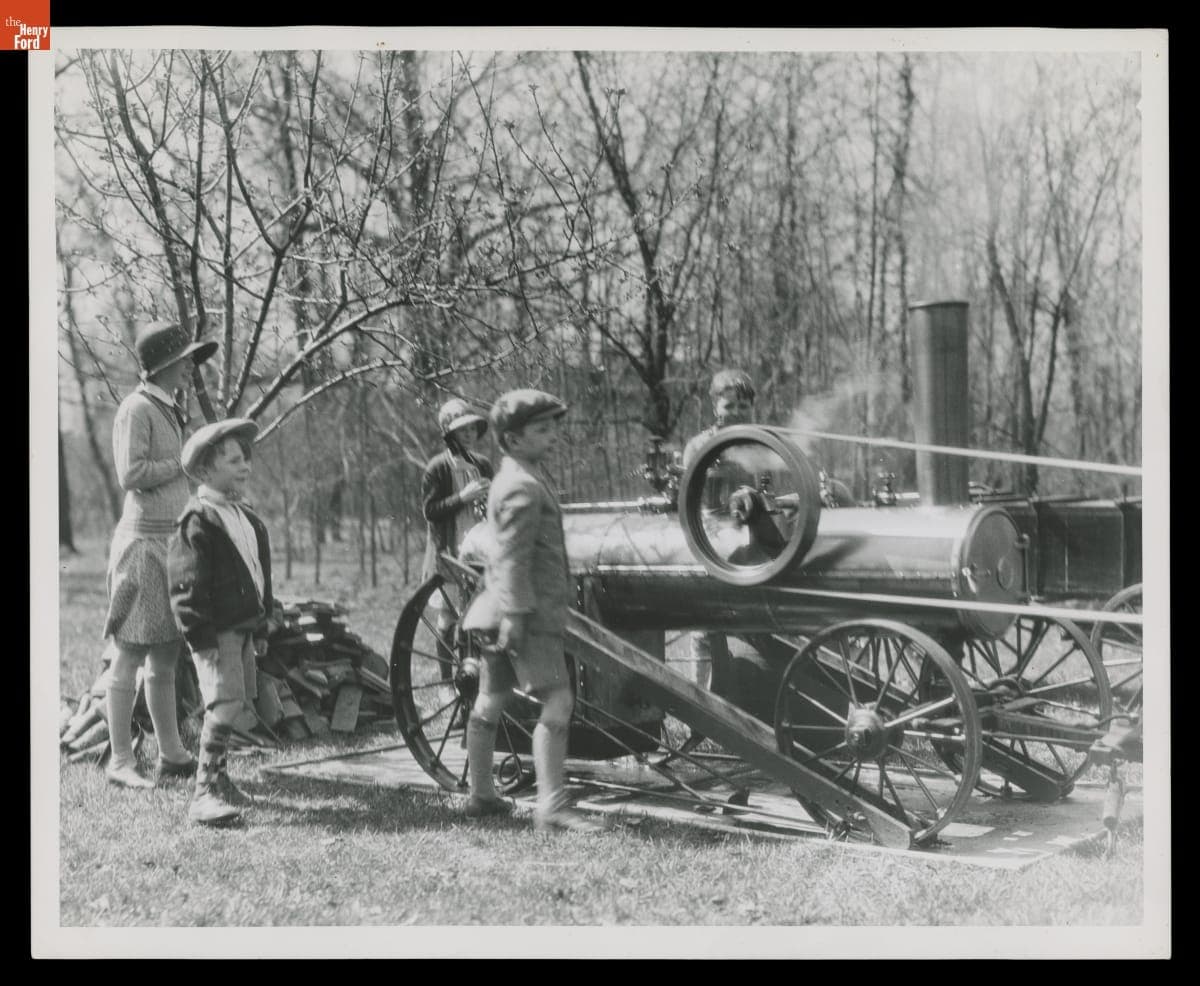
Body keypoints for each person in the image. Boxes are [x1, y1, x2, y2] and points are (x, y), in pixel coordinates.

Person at [460, 389, 603, 833]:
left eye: (553, 427)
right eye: (542, 430)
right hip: (524, 616)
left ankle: (481, 794)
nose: (553, 437)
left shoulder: (516, 477)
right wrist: (519, 618)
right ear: (512, 440)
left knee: (490, 701)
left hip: (493, 611)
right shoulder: (523, 485)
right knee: (558, 701)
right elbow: (513, 559)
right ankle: (552, 806)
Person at [101, 320, 217, 789]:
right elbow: (131, 473)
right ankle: (121, 761)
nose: (191, 367)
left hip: (170, 542)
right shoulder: (136, 408)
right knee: (129, 652)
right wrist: (183, 463)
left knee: (166, 653)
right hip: (141, 544)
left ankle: (171, 752)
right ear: (165, 364)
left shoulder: (170, 407)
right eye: (185, 359)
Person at [169, 418, 273, 826]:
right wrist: (200, 636)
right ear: (207, 470)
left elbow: (259, 576)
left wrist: (262, 626)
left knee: (236, 700)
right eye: (233, 461)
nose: (245, 466)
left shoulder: (244, 517)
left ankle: (222, 778)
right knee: (224, 702)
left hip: (243, 627)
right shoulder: (199, 521)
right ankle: (203, 793)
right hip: (217, 633)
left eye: (245, 458)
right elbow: (186, 586)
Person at [680, 369, 758, 704]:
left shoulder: (761, 442)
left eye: (743, 405)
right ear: (715, 406)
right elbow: (690, 500)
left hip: (752, 534)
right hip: (710, 535)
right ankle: (701, 701)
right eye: (729, 405)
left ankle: (745, 700)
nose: (737, 412)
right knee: (705, 626)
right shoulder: (698, 445)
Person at [420, 398, 494, 665]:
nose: (470, 435)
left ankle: (472, 673)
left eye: (473, 429)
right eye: (463, 431)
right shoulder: (438, 467)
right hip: (449, 551)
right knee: (449, 617)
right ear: (449, 434)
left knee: (477, 615)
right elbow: (430, 511)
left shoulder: (482, 465)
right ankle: (445, 680)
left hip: (479, 549)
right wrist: (462, 497)